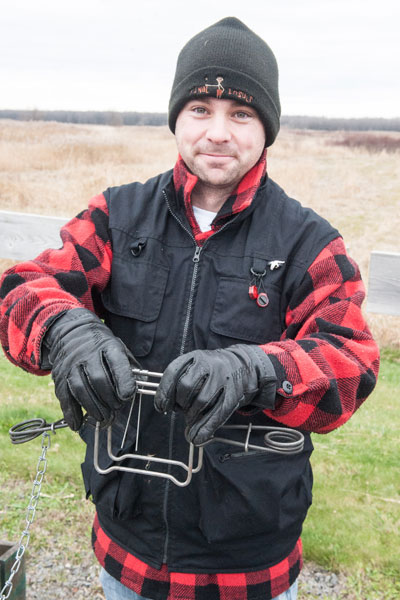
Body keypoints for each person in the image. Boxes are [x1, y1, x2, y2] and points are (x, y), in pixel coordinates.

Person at [0, 17, 379, 600]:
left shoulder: (308, 242)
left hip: (251, 563)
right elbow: (22, 288)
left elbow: (350, 364)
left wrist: (258, 369)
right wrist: (66, 330)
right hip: (129, 546)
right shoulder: (116, 215)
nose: (218, 132)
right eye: (201, 108)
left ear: (267, 126)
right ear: (176, 117)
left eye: (241, 113)